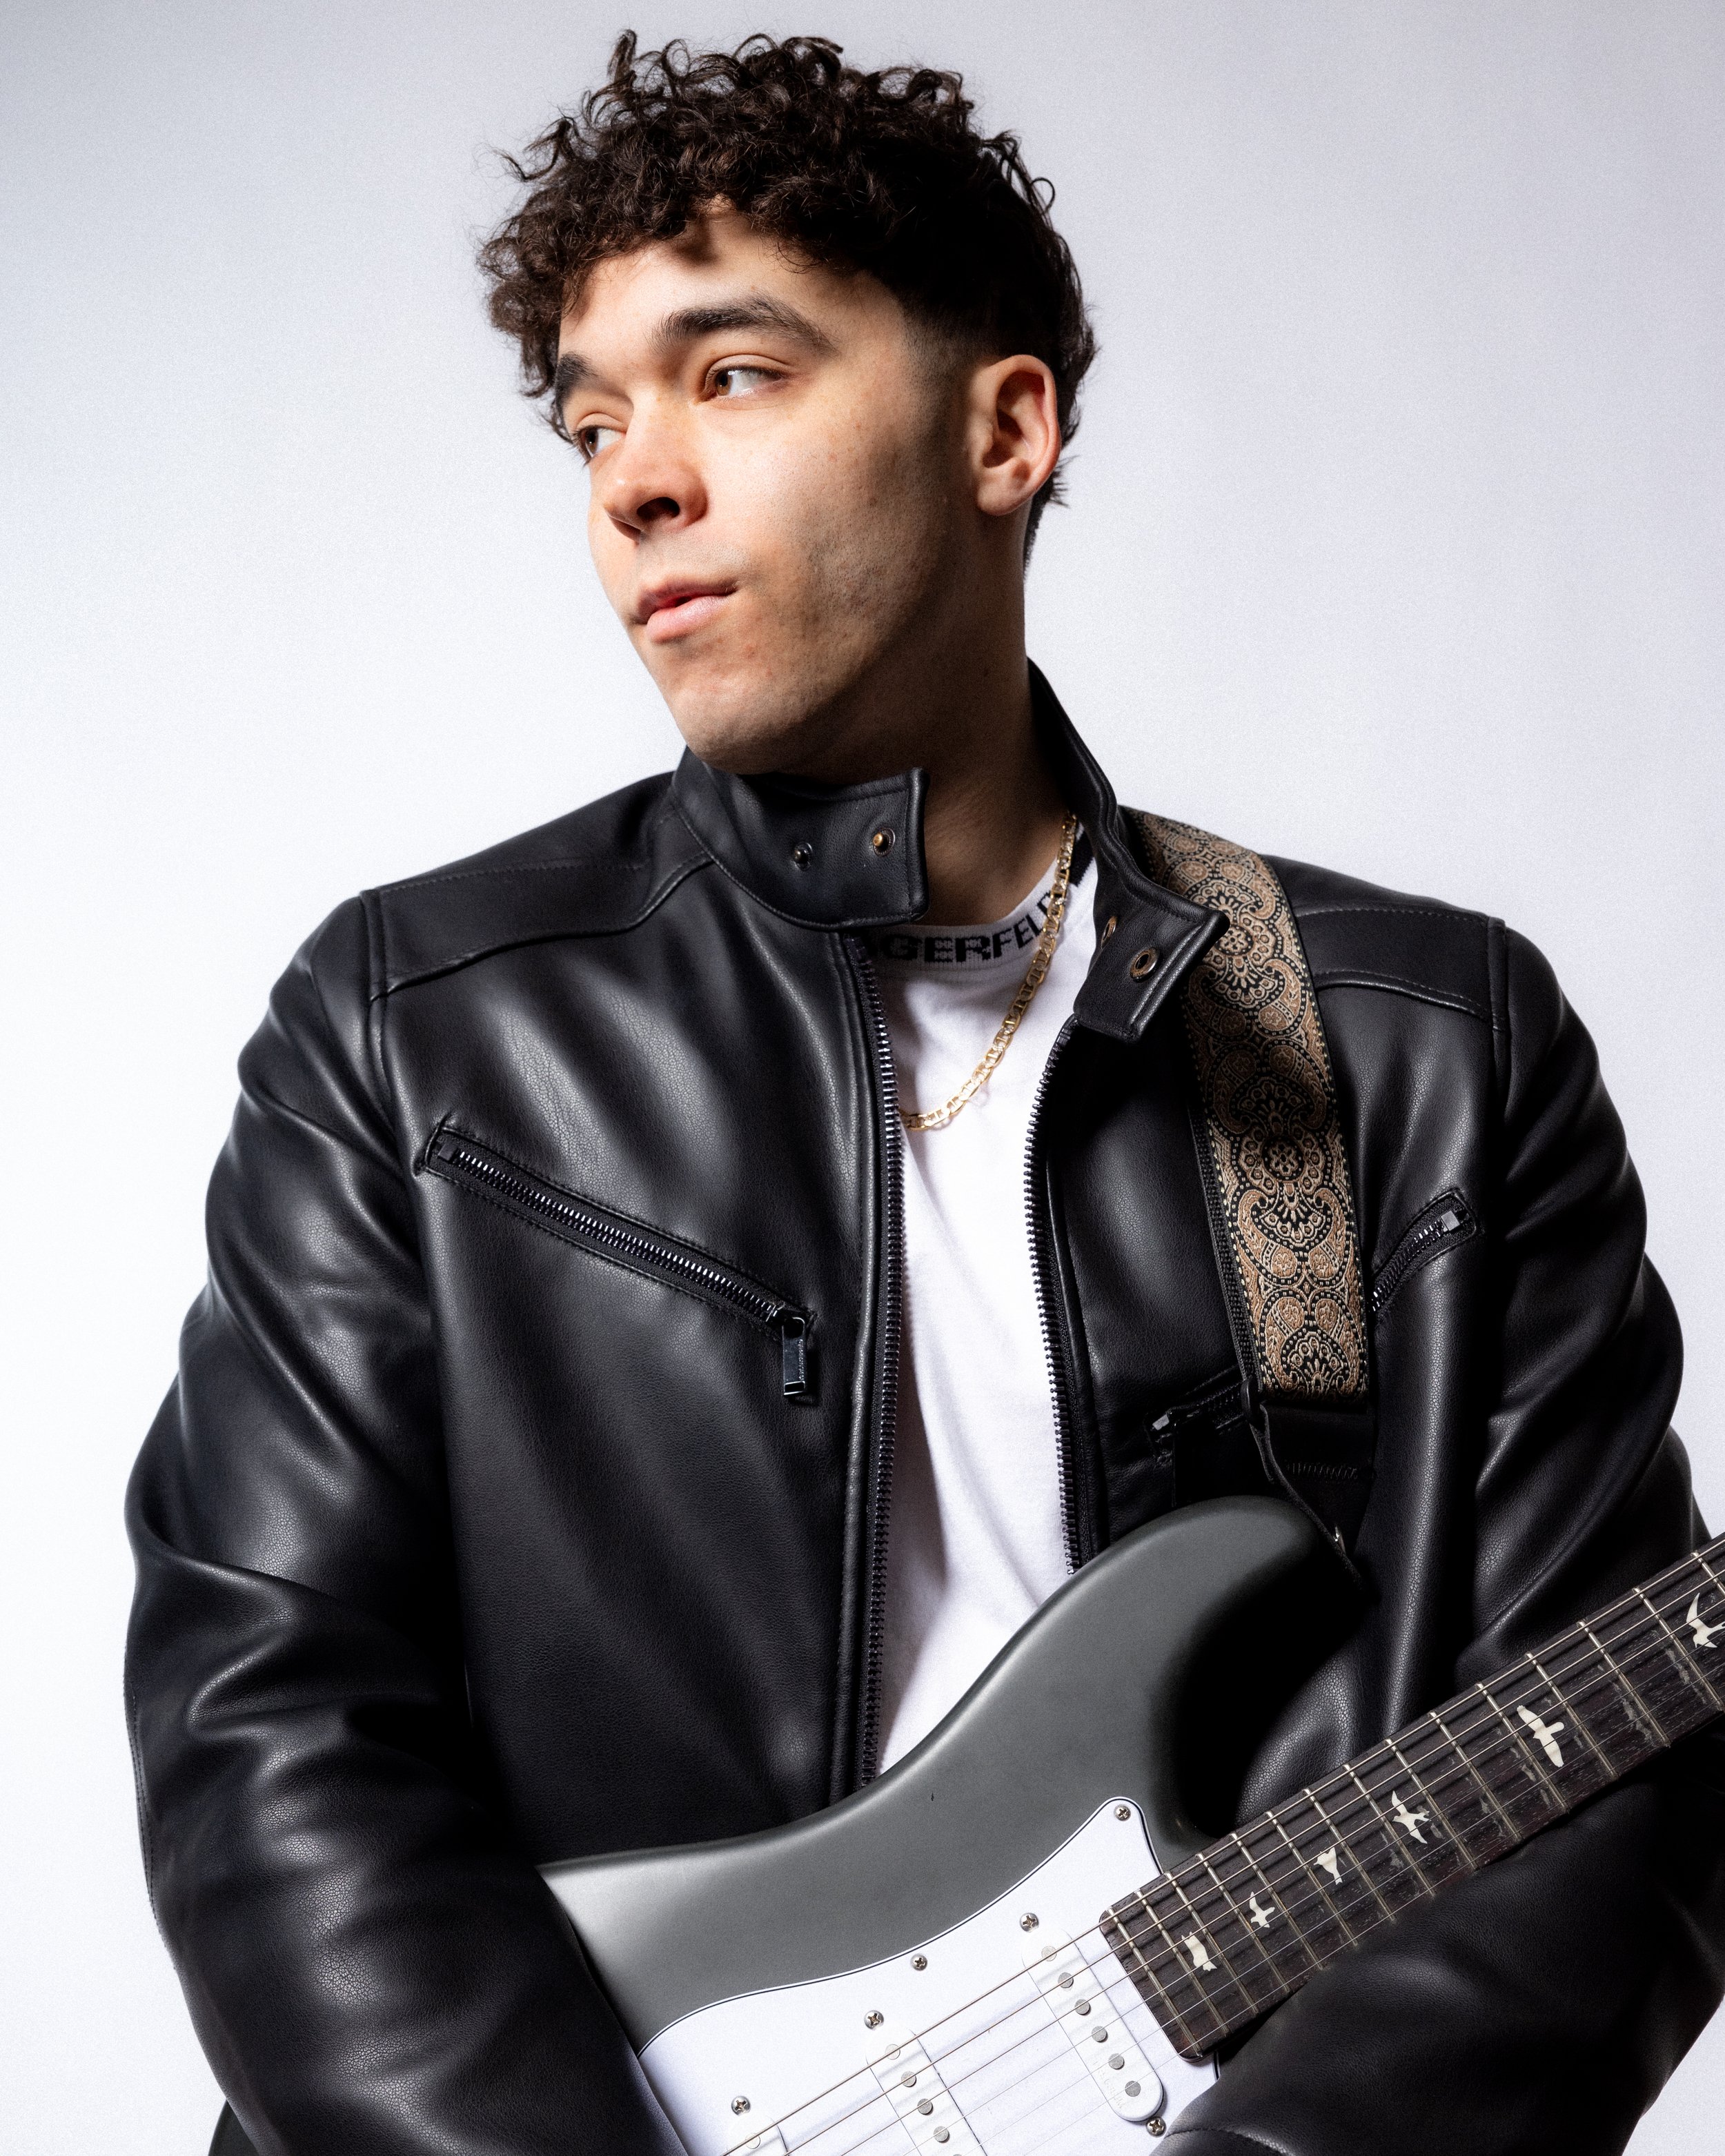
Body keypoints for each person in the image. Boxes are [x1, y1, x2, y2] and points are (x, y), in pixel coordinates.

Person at [125, 32, 1725, 2156]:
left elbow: (1604, 1801)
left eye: (732, 373)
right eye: (592, 416)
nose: (632, 478)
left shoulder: (1423, 1049)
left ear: (1004, 429)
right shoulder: (412, 1028)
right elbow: (273, 1729)